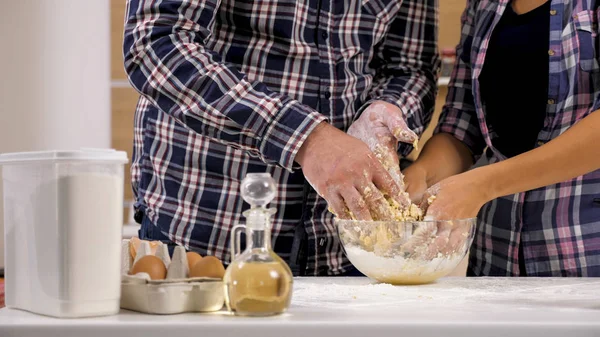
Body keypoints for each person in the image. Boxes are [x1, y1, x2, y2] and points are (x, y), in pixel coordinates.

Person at [123, 0, 439, 276]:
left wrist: (387, 109)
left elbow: (410, 66)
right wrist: (307, 138)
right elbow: (155, 44)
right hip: (206, 228)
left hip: (349, 246)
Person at [404, 0, 600, 276]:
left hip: (586, 253)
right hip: (496, 255)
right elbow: (463, 120)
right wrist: (423, 177)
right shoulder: (483, 5)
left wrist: (483, 186)